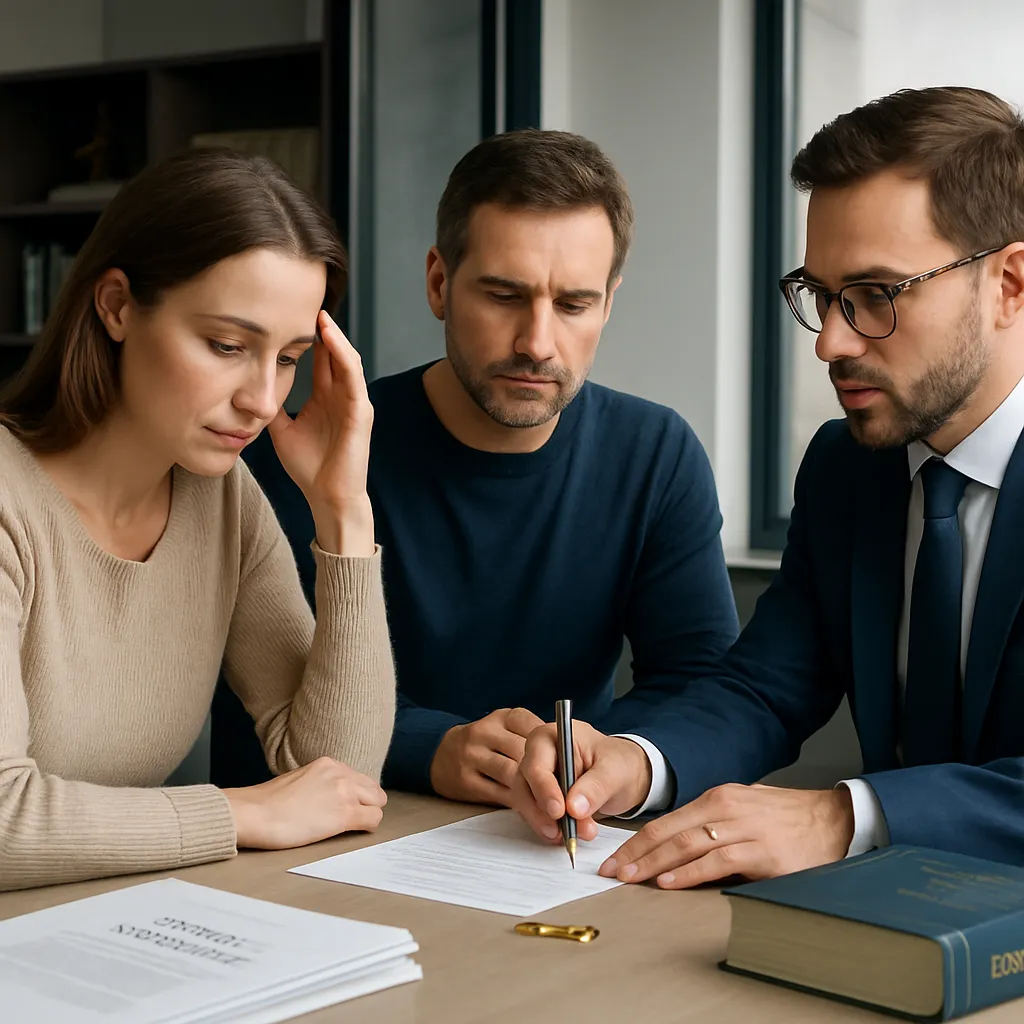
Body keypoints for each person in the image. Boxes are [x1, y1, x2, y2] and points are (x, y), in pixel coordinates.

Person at [513, 86, 1024, 882]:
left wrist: (843, 815)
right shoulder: (848, 466)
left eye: (876, 296)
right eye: (822, 296)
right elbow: (765, 686)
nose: (830, 342)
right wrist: (635, 762)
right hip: (903, 919)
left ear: (1010, 284)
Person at [217, 129, 739, 817]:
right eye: (503, 295)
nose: (537, 343)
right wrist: (432, 747)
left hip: (555, 836)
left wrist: (603, 753)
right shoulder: (308, 452)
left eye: (574, 304)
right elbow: (266, 707)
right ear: (440, 283)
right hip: (333, 831)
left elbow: (700, 684)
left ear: (609, 303)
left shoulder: (656, 454)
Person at [0, 148, 396, 892]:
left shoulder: (221, 497)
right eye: (227, 346)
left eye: (289, 358)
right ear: (117, 306)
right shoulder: (8, 503)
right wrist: (240, 812)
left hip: (92, 925)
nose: (263, 400)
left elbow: (336, 778)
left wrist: (343, 509)